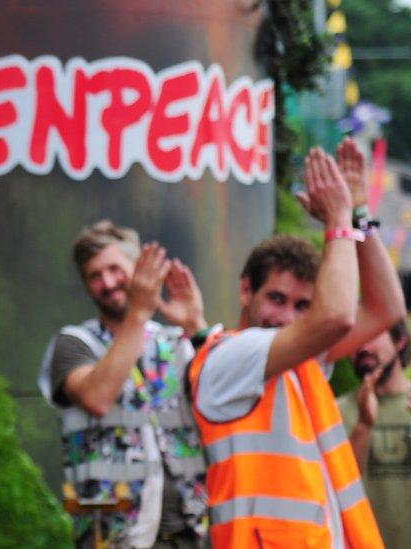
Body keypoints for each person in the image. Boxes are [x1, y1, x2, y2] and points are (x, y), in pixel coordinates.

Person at [188, 140, 404, 548]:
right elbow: (337, 315)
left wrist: (359, 216)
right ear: (245, 291)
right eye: (276, 299)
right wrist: (339, 221)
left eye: (302, 305)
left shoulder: (301, 360)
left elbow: (386, 308)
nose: (287, 317)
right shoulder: (229, 355)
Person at [39, 220, 211, 548]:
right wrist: (140, 312)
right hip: (110, 532)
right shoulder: (74, 343)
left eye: (115, 270)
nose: (107, 283)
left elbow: (226, 401)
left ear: (139, 270)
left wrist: (195, 324)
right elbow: (98, 397)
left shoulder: (175, 342)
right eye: (94, 276)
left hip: (190, 530)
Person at [337, 320, 411, 547]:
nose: (363, 346)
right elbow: (336, 490)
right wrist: (363, 427)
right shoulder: (333, 412)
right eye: (355, 338)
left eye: (371, 335)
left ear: (400, 341)